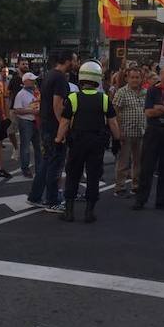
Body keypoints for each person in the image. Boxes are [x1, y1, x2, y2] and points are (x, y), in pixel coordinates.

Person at [55, 60, 120, 223]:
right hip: (97, 143)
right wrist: (117, 140)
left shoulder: (73, 98)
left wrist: (58, 140)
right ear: (98, 78)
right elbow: (113, 122)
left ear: (81, 78)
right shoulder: (104, 99)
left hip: (77, 142)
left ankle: (69, 212)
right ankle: (89, 213)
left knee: (73, 175)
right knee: (93, 176)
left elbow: (64, 122)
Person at [133, 66, 164, 212]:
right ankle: (141, 200)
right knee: (147, 167)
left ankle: (162, 201)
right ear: (160, 75)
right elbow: (148, 112)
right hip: (153, 132)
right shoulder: (152, 91)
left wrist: (161, 107)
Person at [29, 52, 74, 210]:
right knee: (55, 163)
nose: (75, 63)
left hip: (46, 124)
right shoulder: (60, 78)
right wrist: (63, 124)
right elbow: (57, 104)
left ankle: (35, 196)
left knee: (47, 161)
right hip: (54, 126)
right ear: (67, 61)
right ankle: (52, 200)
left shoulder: (49, 75)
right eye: (74, 60)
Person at [112, 67, 146, 198]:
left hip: (141, 132)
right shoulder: (121, 92)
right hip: (125, 132)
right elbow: (115, 112)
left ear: (141, 78)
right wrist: (118, 131)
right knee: (123, 162)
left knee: (138, 162)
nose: (135, 80)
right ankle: (119, 187)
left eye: (137, 77)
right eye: (132, 77)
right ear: (127, 78)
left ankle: (136, 185)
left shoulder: (145, 92)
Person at [12, 72, 41, 177]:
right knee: (25, 147)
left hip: (37, 121)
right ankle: (25, 168)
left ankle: (40, 168)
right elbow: (17, 110)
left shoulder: (36, 92)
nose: (34, 81)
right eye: (31, 80)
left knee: (39, 146)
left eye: (34, 79)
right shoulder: (21, 94)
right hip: (26, 122)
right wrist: (31, 111)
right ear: (25, 81)